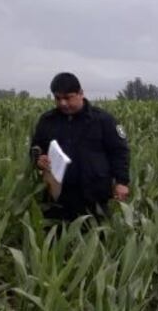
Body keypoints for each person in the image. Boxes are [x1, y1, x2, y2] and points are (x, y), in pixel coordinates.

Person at [31, 72, 131, 221]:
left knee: (95, 239)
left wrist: (122, 182)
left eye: (68, 97)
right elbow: (36, 147)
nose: (63, 103)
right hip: (58, 198)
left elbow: (119, 152)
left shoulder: (103, 120)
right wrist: (39, 158)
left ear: (81, 94)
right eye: (58, 98)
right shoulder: (47, 121)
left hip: (95, 196)